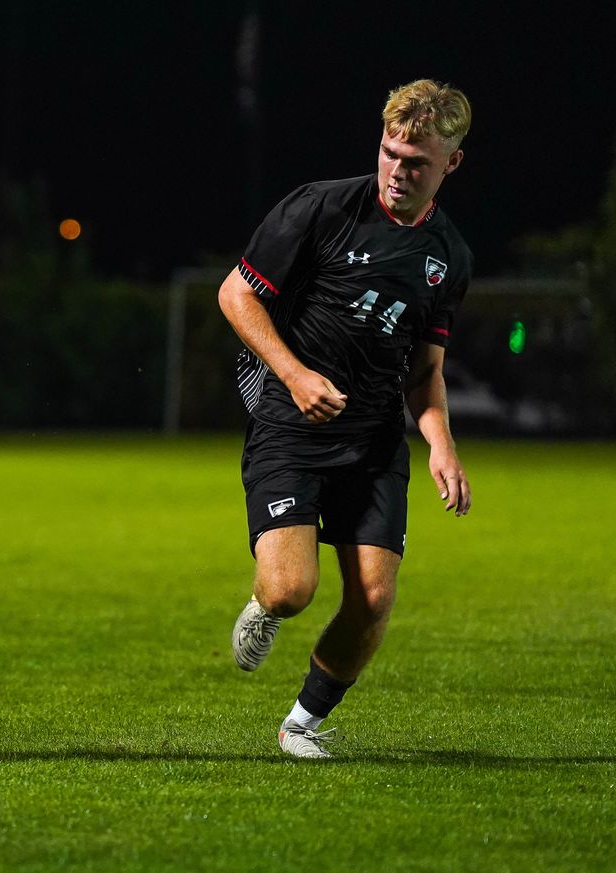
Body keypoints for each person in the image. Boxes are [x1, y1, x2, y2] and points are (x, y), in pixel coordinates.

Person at [218, 80, 474, 759]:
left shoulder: (448, 256)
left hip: (373, 441)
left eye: (417, 162)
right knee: (292, 589)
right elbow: (236, 294)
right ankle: (266, 604)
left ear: (452, 163)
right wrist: (297, 375)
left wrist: (441, 444)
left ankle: (300, 723)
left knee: (373, 598)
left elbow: (424, 373)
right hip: (290, 425)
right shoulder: (321, 206)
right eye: (390, 153)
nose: (398, 171)